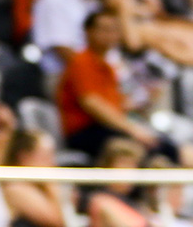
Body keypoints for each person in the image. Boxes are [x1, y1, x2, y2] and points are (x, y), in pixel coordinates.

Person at [56, 8, 162, 159]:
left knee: (163, 145)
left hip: (106, 128)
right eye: (104, 30)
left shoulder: (109, 67)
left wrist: (145, 100)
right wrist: (132, 129)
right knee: (140, 147)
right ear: (88, 32)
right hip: (87, 131)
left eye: (114, 30)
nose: (110, 35)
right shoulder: (81, 62)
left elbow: (117, 105)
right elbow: (92, 104)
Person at [1, 128, 70, 227]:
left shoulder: (40, 187)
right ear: (24, 157)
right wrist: (51, 186)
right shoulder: (15, 187)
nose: (53, 162)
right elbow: (57, 223)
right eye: (46, 156)